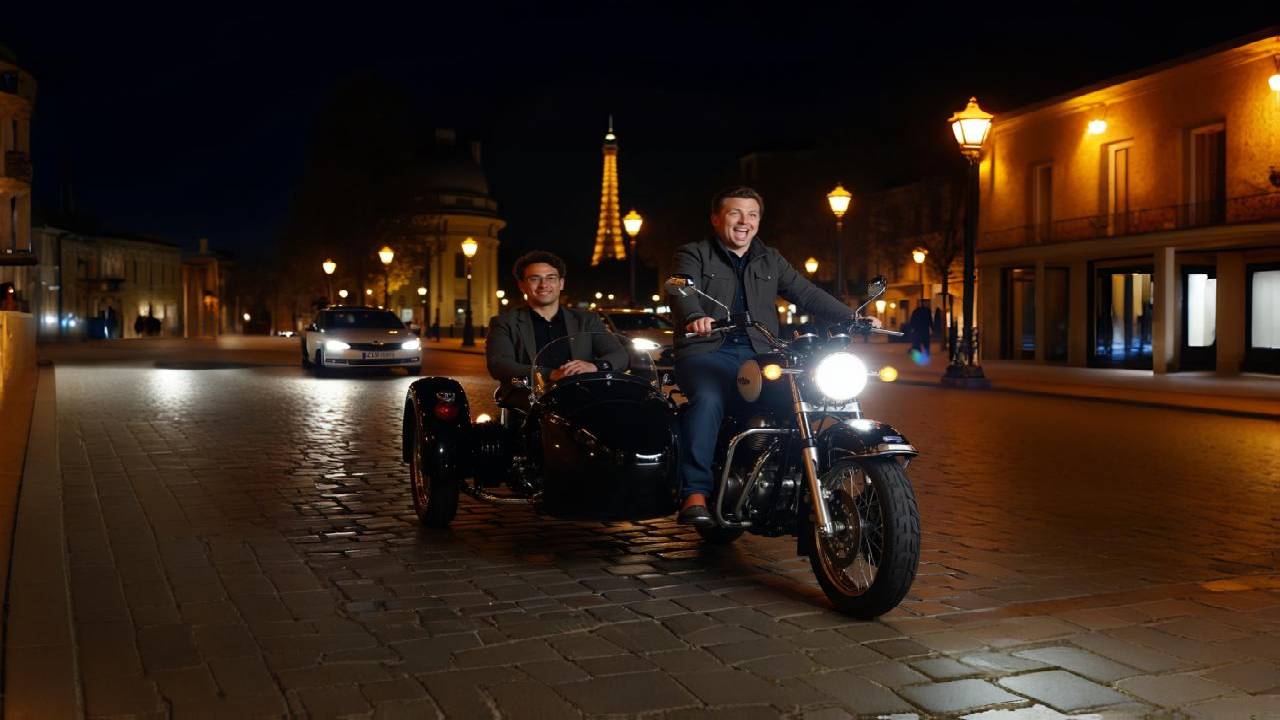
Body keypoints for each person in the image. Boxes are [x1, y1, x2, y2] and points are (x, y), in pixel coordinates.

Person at [669, 186, 857, 527]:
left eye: (752, 215)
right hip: (708, 350)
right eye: (735, 213)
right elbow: (680, 288)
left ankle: (797, 485)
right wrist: (694, 315)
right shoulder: (693, 253)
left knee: (803, 398)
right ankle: (694, 492)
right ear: (716, 219)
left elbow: (805, 292)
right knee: (708, 400)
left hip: (763, 352)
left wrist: (852, 317)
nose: (745, 221)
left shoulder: (770, 258)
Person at [486, 251, 628, 415]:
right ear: (521, 285)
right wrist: (551, 374)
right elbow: (500, 365)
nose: (543, 285)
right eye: (534, 279)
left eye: (551, 278)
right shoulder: (504, 323)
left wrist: (595, 366)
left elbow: (620, 355)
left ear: (561, 283)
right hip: (528, 408)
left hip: (582, 404)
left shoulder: (587, 320)